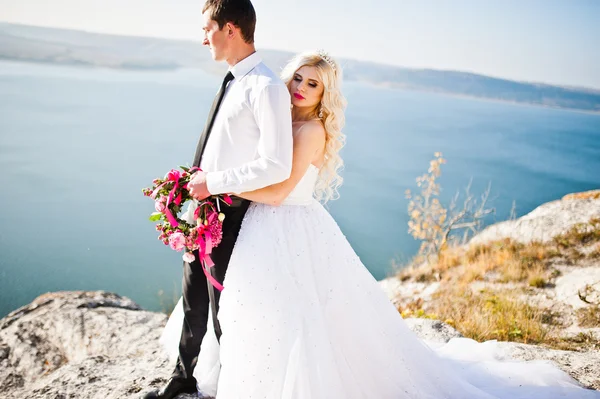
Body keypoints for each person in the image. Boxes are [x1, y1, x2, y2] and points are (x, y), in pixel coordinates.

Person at [160, 49, 600, 399]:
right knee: (255, 311)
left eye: (313, 84)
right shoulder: (282, 118)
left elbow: (276, 193)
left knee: (299, 317)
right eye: (297, 77)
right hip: (261, 228)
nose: (301, 88)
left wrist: (212, 186)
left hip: (288, 226)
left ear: (324, 95)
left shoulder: (311, 131)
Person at [143, 0, 293, 398]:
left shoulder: (266, 86)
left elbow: (276, 164)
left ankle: (233, 388)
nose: (202, 37)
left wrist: (215, 183)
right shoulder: (233, 80)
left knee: (225, 310)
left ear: (230, 28)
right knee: (192, 298)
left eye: (206, 28)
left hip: (233, 215)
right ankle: (182, 377)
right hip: (203, 210)